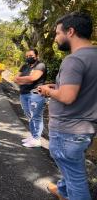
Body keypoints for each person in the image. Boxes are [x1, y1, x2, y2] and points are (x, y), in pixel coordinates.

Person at [38, 12, 97, 200]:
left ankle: (68, 192)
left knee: (75, 179)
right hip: (86, 128)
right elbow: (85, 86)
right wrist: (57, 87)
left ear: (70, 31)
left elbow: (67, 97)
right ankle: (62, 192)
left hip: (68, 130)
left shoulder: (74, 59)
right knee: (70, 166)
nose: (55, 38)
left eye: (57, 33)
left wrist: (47, 91)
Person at [14, 48, 47, 148]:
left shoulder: (40, 65)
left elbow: (33, 78)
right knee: (29, 116)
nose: (28, 58)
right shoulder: (25, 66)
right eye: (27, 56)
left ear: (36, 56)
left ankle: (37, 139)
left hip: (35, 94)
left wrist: (23, 80)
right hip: (23, 94)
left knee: (36, 117)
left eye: (31, 56)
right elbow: (15, 78)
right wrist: (26, 80)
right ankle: (33, 136)